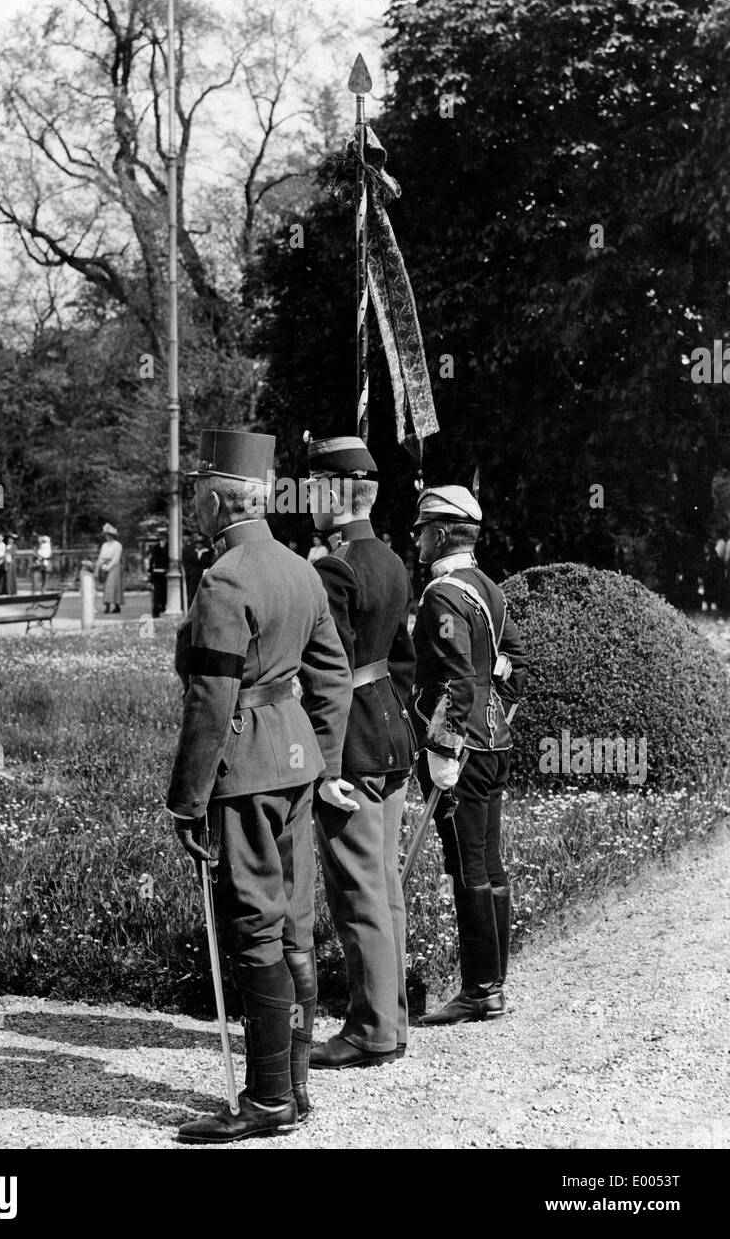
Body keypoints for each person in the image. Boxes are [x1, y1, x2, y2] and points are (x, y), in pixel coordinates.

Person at [168, 428, 351, 1144]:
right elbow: (333, 676)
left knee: (253, 928)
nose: (192, 505)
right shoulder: (303, 569)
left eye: (196, 494)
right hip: (297, 764)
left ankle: (269, 1099)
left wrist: (186, 799)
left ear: (217, 499)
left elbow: (210, 699)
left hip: (243, 773)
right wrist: (323, 760)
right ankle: (295, 1087)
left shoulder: (226, 578)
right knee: (294, 925)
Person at [303, 434, 416, 1069]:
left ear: (336, 492)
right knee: (385, 886)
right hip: (391, 735)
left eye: (314, 488)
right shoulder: (392, 560)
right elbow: (403, 661)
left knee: (358, 893)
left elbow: (330, 675)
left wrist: (326, 765)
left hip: (351, 747)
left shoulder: (334, 569)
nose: (307, 498)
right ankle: (390, 1023)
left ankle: (370, 1029)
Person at [409, 485, 527, 1025]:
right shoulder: (489, 588)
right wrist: (494, 709)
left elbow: (456, 679)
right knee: (490, 864)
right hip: (495, 742)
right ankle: (492, 984)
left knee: (468, 867)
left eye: (421, 531)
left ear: (439, 535)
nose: (417, 540)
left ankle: (480, 990)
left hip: (463, 752)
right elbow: (516, 664)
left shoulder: (442, 595)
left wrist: (443, 747)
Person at [95, 523, 124, 614]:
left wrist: (109, 567)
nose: (106, 536)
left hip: (114, 566)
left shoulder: (117, 545)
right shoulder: (104, 545)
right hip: (105, 565)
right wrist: (99, 566)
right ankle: (107, 606)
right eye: (105, 535)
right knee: (106, 586)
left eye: (107, 535)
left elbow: (116, 558)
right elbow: (101, 556)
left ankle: (117, 605)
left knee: (114, 585)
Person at [148, 529, 168, 617]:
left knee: (164, 592)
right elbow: (152, 560)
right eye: (160, 535)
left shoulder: (170, 547)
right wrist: (150, 572)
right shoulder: (155, 547)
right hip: (157, 573)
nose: (161, 537)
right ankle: (156, 610)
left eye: (163, 535)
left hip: (166, 573)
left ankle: (162, 606)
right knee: (156, 593)